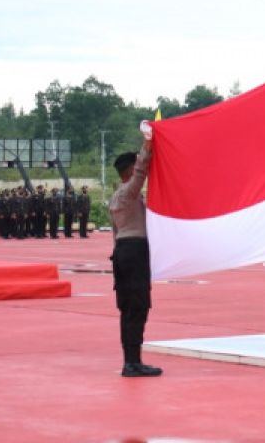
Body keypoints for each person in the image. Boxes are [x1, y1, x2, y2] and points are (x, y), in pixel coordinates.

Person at [110, 137, 162, 377]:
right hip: (134, 251)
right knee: (137, 306)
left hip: (122, 252)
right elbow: (141, 172)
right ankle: (132, 363)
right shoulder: (129, 194)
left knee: (129, 308)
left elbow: (115, 232)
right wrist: (147, 146)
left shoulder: (115, 198)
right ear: (129, 171)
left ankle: (131, 360)